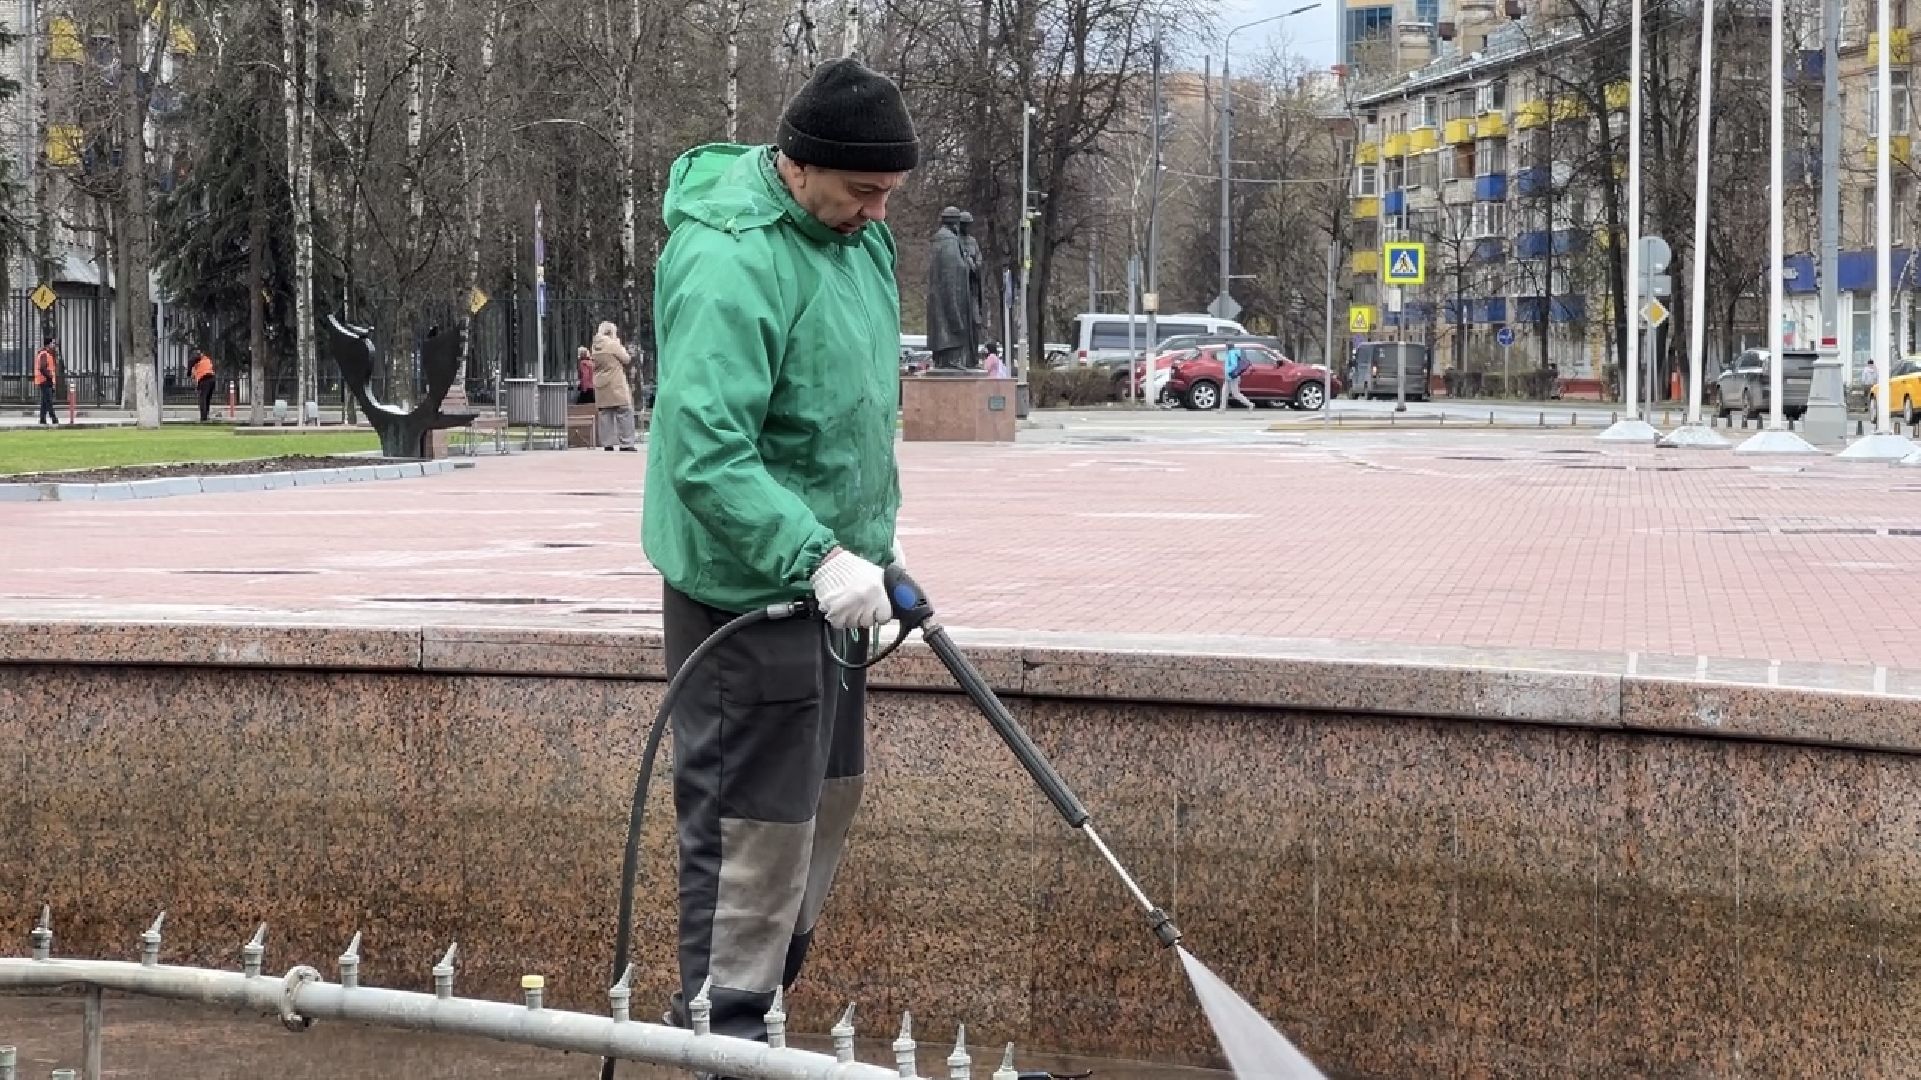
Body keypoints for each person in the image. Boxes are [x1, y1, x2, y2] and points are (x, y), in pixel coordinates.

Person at [640, 57, 915, 1058]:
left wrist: (872, 552)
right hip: (744, 594)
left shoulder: (853, 239)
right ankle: (722, 1031)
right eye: (863, 192)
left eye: (889, 194)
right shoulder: (732, 259)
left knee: (821, 807)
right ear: (802, 167)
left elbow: (843, 413)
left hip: (830, 584)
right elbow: (704, 455)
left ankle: (762, 1006)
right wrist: (816, 554)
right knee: (750, 829)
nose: (879, 214)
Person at [590, 321, 637, 451]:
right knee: (624, 411)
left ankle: (607, 444)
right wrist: (618, 342)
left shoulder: (594, 347)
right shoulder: (612, 344)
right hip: (616, 383)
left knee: (605, 413)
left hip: (600, 384)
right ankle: (626, 443)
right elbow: (626, 359)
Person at [32, 336, 58, 425]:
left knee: (44, 401)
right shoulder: (44, 354)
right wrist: (50, 376)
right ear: (49, 344)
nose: (54, 345)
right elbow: (43, 368)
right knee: (49, 401)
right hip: (45, 380)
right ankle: (53, 418)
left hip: (45, 380)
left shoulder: (46, 354)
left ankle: (42, 418)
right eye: (53, 343)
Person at [1223, 344, 1254, 408]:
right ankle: (1222, 408)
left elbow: (1234, 365)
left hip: (1232, 376)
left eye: (1226, 346)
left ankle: (1250, 404)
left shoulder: (1231, 353)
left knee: (1236, 394)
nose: (1225, 348)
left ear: (1228, 347)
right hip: (1229, 376)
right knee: (1224, 392)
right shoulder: (1231, 353)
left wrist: (1228, 371)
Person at [192, 350, 217, 421]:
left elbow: (194, 376)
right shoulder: (207, 360)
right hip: (212, 379)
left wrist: (196, 386)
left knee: (202, 398)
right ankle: (207, 414)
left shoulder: (196, 364)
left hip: (204, 380)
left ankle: (203, 417)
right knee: (207, 399)